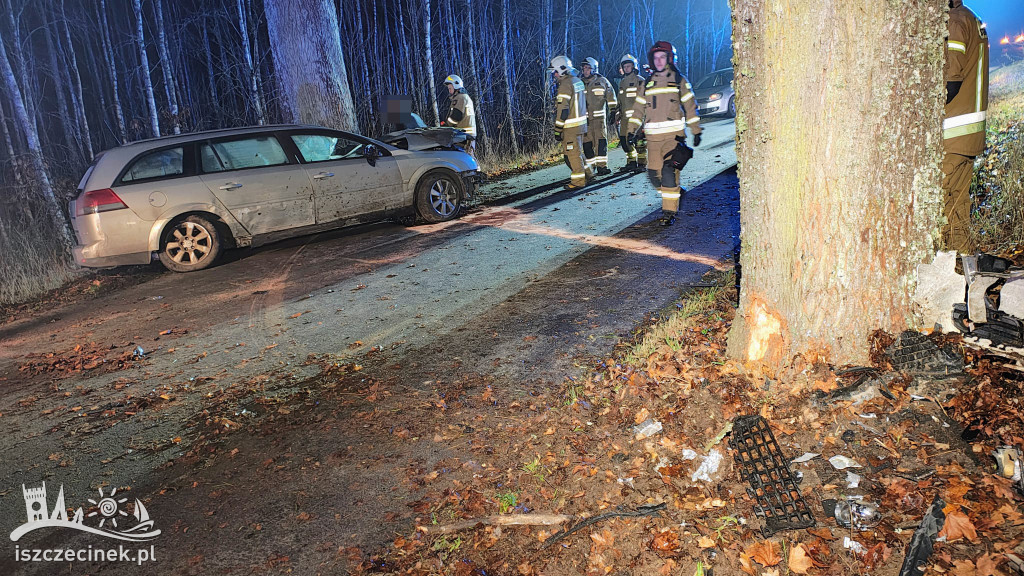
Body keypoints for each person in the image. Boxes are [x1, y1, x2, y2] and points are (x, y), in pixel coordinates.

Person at [627, 41, 702, 226]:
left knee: (668, 172)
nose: (659, 61)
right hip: (652, 140)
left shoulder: (678, 80)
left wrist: (696, 130)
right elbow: (638, 109)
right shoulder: (646, 84)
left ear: (669, 58)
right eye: (655, 57)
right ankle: (674, 192)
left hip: (673, 138)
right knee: (654, 176)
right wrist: (631, 131)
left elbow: (690, 106)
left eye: (662, 57)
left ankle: (668, 212)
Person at [942, 0, 989, 252]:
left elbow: (951, 81)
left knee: (941, 202)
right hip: (968, 132)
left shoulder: (955, 20)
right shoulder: (971, 17)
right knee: (958, 207)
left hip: (953, 131)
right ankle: (962, 262)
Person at [550, 55, 591, 190]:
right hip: (580, 125)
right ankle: (589, 174)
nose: (554, 75)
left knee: (573, 154)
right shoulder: (577, 81)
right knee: (579, 152)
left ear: (562, 70)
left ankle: (578, 182)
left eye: (555, 71)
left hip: (570, 127)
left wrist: (558, 129)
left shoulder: (565, 85)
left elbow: (563, 110)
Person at [581, 57, 617, 175]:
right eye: (584, 68)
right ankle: (591, 168)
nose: (585, 70)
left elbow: (611, 96)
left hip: (599, 120)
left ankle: (602, 166)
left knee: (601, 143)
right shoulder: (579, 83)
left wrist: (613, 111)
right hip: (584, 121)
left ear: (594, 69)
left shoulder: (602, 81)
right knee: (587, 145)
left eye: (588, 68)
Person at [616, 54, 647, 173]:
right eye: (625, 66)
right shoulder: (622, 82)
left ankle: (642, 164)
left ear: (634, 67)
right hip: (624, 119)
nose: (627, 68)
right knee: (625, 141)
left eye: (629, 66)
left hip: (638, 118)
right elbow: (620, 100)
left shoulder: (640, 81)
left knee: (639, 141)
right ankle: (631, 162)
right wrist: (615, 113)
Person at [441, 74, 477, 157]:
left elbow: (456, 117)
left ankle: (475, 170)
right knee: (468, 158)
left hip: (464, 135)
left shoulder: (460, 98)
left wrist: (446, 126)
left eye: (450, 88)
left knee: (464, 159)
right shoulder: (464, 97)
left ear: (456, 86)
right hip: (467, 134)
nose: (449, 91)